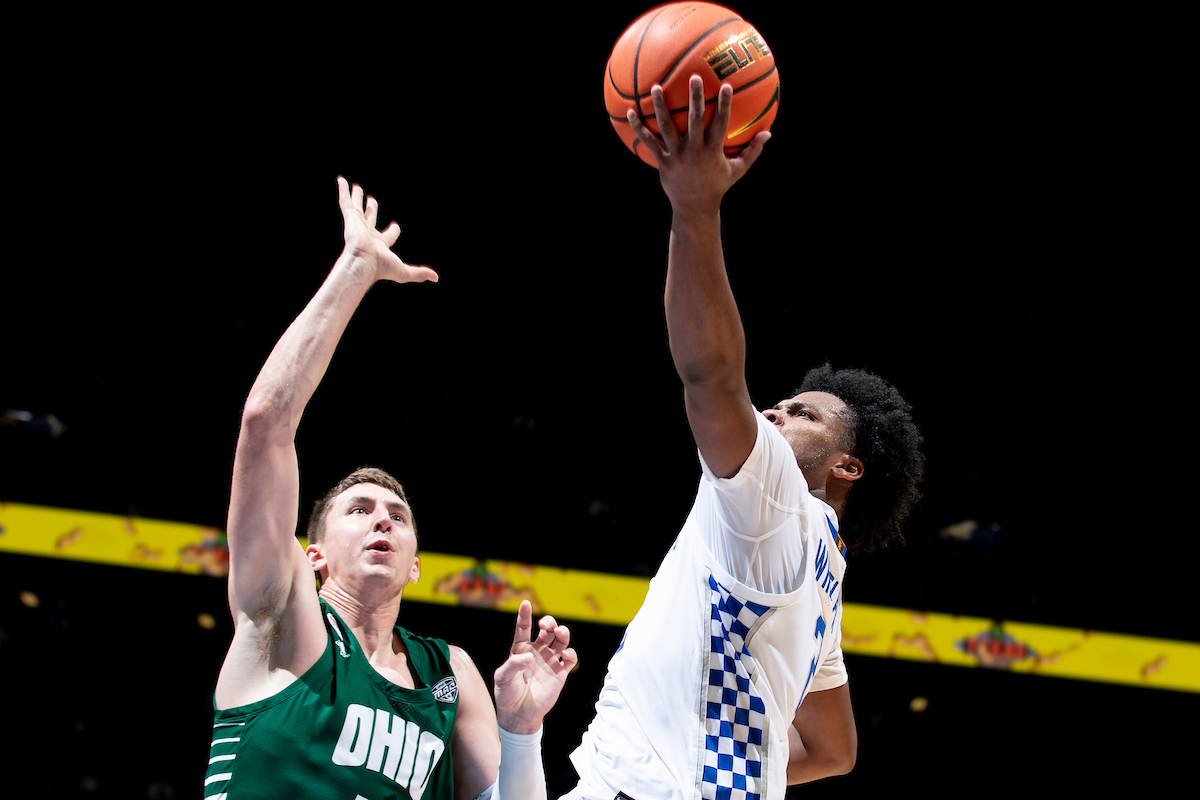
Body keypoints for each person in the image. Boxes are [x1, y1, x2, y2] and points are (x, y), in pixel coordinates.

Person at [562, 78, 924, 800]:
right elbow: (834, 749)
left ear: (846, 467)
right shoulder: (823, 577)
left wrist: (694, 210)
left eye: (804, 415)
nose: (776, 413)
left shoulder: (779, 505)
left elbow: (710, 377)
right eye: (783, 404)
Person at [204, 177, 577, 800]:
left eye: (398, 516)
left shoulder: (449, 674)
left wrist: (520, 728)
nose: (383, 520)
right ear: (313, 554)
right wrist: (355, 270)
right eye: (359, 509)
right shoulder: (283, 612)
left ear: (415, 567)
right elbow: (266, 423)